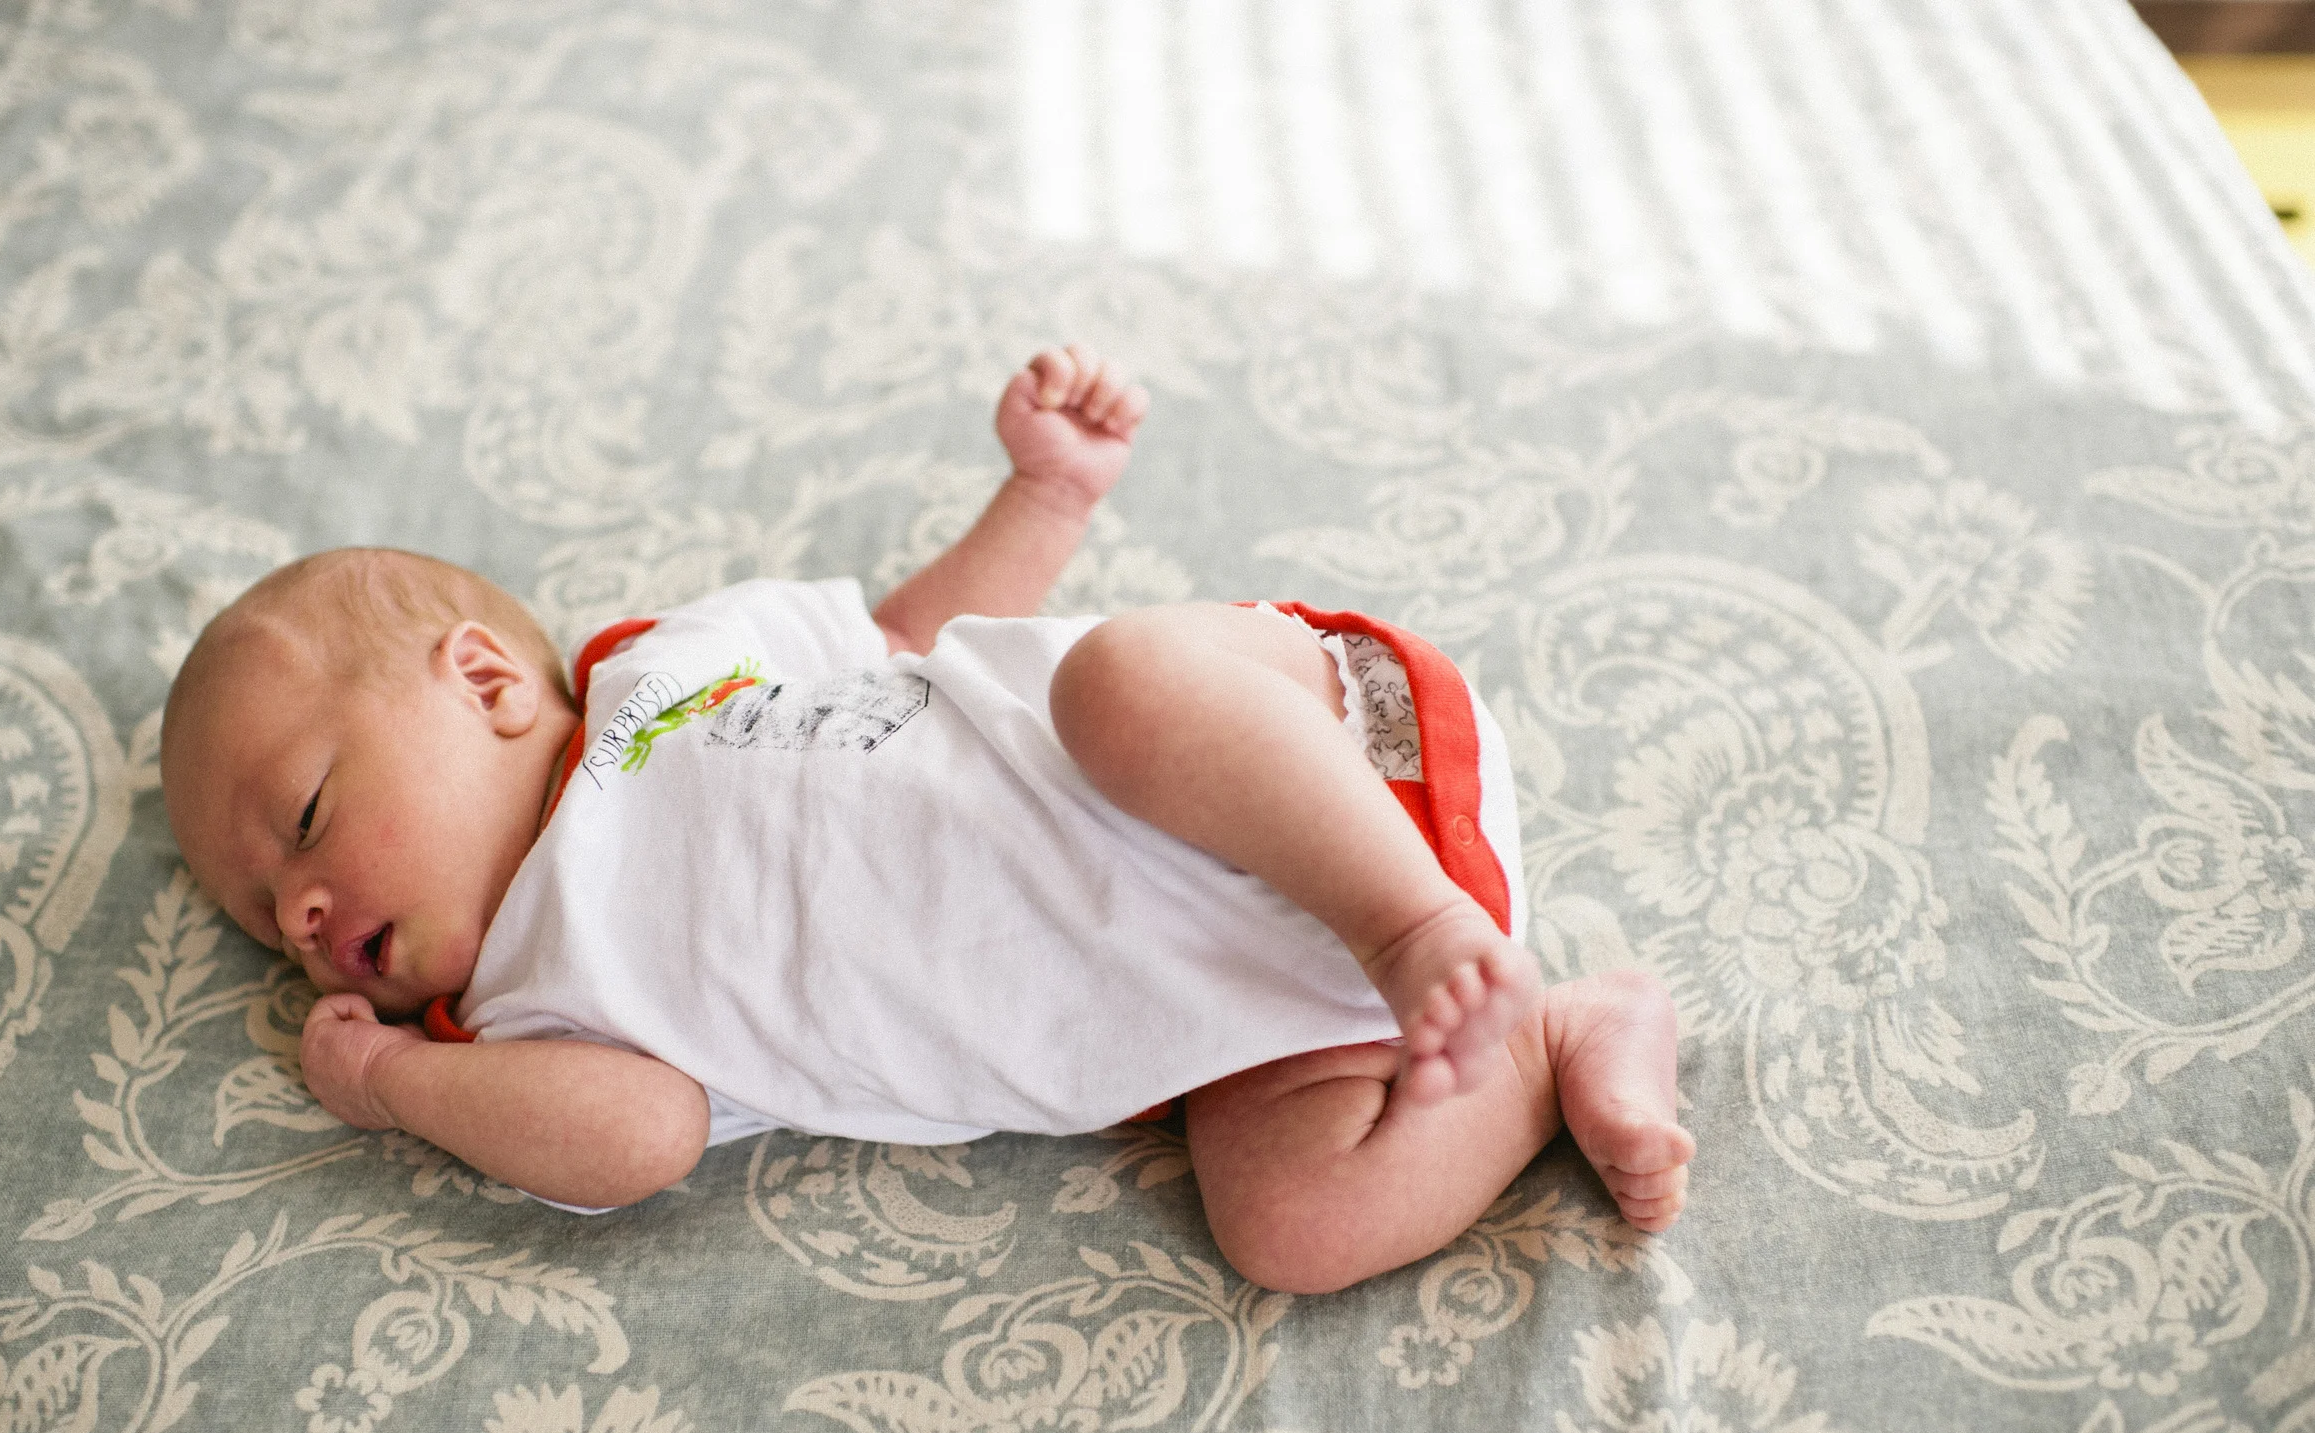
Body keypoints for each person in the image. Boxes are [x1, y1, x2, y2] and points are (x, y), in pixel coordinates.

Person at [161, 346, 1693, 1294]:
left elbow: (898, 639)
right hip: (1230, 1017)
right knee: (1289, 1228)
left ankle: (1420, 921)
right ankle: (1551, 1042)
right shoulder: (518, 1020)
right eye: (261, 918)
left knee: (1118, 683)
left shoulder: (656, 675)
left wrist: (1043, 500)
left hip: (1269, 775)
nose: (297, 914)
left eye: (306, 817)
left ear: (488, 681)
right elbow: (645, 1136)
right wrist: (398, 1084)